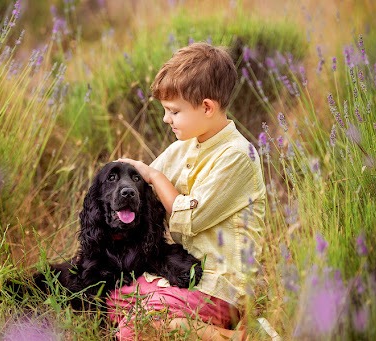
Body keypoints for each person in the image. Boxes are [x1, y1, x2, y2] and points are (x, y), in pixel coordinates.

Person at [109, 42, 266, 340]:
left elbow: (190, 216)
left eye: (173, 111)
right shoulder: (184, 147)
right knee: (109, 298)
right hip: (185, 276)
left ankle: (233, 336)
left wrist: (154, 175)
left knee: (135, 326)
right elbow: (146, 197)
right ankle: (179, 322)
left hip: (219, 287)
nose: (167, 119)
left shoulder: (237, 155)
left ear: (207, 107)